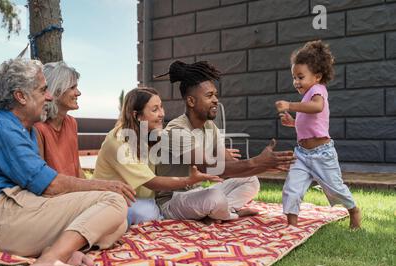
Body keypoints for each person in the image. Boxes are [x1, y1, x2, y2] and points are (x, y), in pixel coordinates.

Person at [0, 58, 136, 266]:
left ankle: (58, 250)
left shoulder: (25, 128)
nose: (49, 96)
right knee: (113, 201)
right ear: (21, 96)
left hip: (15, 212)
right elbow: (49, 186)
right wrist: (106, 186)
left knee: (116, 222)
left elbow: (40, 189)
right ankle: (48, 260)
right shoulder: (3, 129)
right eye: (43, 90)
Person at [155, 60, 296, 222]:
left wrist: (263, 167)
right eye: (209, 95)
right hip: (172, 200)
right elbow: (210, 167)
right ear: (191, 101)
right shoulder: (177, 130)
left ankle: (218, 212)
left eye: (215, 94)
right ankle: (227, 213)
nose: (215, 99)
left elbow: (229, 166)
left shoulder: (210, 127)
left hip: (196, 194)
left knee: (251, 181)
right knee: (214, 197)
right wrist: (256, 162)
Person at [93, 87, 223, 226]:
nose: (161, 114)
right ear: (137, 115)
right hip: (113, 200)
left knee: (220, 192)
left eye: (161, 107)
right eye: (155, 110)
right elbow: (152, 182)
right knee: (147, 214)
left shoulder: (153, 134)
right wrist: (189, 180)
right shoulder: (119, 141)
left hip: (147, 200)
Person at [275, 40, 361, 229]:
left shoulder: (318, 91)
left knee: (335, 188)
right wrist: (293, 122)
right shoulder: (307, 96)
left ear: (317, 76)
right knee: (292, 188)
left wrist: (290, 105)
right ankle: (292, 226)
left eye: (300, 77)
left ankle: (354, 211)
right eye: (294, 77)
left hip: (322, 153)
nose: (296, 82)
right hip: (302, 154)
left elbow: (317, 107)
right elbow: (309, 122)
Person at [34, 61, 85, 178]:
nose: (78, 93)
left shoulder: (71, 123)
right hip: (56, 193)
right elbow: (41, 179)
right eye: (72, 87)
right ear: (55, 91)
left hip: (75, 191)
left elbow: (78, 170)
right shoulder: (38, 128)